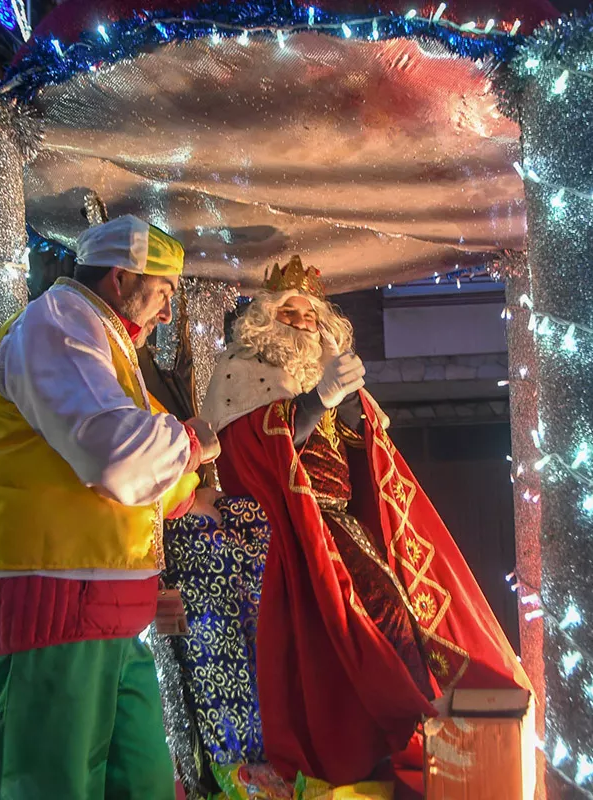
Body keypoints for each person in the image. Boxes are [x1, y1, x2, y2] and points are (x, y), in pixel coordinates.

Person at [201, 256, 530, 790]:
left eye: (311, 316)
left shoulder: (318, 367)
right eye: (291, 312)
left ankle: (392, 740)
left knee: (394, 618)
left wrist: (347, 398)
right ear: (266, 318)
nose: (303, 324)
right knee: (360, 622)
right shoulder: (241, 368)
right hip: (291, 529)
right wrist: (314, 401)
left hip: (341, 522)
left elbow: (364, 440)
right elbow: (253, 448)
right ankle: (378, 741)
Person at [0, 214, 221, 799]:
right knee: (47, 784)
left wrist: (192, 494)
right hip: (47, 612)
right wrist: (193, 444)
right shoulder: (57, 324)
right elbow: (119, 458)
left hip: (105, 612)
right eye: (165, 292)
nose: (169, 313)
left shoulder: (106, 345)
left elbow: (147, 457)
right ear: (121, 280)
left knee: (145, 781)